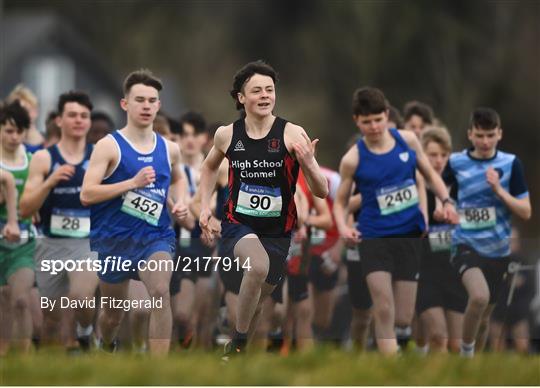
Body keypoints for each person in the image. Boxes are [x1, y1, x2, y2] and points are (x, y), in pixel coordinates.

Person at [198, 60, 328, 357]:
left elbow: (321, 191)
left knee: (257, 301)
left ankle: (237, 358)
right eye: (257, 90)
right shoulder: (226, 135)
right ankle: (239, 343)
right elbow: (208, 169)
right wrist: (205, 206)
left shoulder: (293, 133)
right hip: (237, 223)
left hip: (278, 230)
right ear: (241, 98)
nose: (265, 95)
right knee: (256, 267)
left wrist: (308, 161)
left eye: (270, 89)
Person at [333, 87, 457, 355]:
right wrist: (344, 227)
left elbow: (430, 176)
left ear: (387, 116)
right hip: (374, 237)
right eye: (367, 122)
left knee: (403, 317)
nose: (374, 127)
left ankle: (395, 348)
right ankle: (389, 370)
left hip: (409, 236)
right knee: (384, 308)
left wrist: (446, 201)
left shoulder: (408, 141)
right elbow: (340, 203)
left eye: (378, 120)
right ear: (357, 121)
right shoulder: (352, 159)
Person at [80, 69, 188, 355]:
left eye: (152, 100)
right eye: (139, 99)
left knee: (160, 293)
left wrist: (180, 201)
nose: (146, 105)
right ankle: (105, 344)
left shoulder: (169, 149)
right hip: (115, 239)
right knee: (113, 315)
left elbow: (178, 177)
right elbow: (87, 193)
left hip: (156, 237)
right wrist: (131, 183)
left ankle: (157, 373)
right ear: (125, 104)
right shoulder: (108, 146)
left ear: (159, 106)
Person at [445, 107, 531, 357]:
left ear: (499, 134)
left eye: (490, 135)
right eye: (480, 135)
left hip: (499, 251)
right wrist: (445, 207)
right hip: (465, 245)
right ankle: (466, 354)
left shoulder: (511, 164)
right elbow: (442, 195)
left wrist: (500, 192)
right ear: (470, 134)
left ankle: (473, 369)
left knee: (484, 318)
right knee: (479, 297)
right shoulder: (456, 163)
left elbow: (525, 211)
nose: (485, 141)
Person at [19, 91, 98, 351]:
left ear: (89, 122)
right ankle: (59, 352)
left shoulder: (98, 155)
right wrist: (50, 182)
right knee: (50, 316)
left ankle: (85, 332)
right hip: (49, 244)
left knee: (81, 298)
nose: (78, 120)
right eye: (72, 115)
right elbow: (25, 208)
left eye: (84, 116)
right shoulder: (44, 158)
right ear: (59, 121)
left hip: (87, 243)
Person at [415, 126, 467, 353]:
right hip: (424, 272)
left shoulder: (459, 188)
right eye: (432, 155)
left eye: (443, 155)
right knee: (438, 336)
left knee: (456, 345)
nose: (438, 161)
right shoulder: (414, 187)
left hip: (454, 272)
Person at [0, 100, 35, 354]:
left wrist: (33, 209)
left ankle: (24, 357)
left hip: (24, 241)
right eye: (8, 130)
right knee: (3, 300)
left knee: (21, 300)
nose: (14, 136)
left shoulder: (32, 160)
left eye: (19, 131)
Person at [7, 85, 44, 153]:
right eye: (18, 111)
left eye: (27, 110)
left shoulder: (48, 142)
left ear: (36, 111)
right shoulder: (7, 143)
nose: (22, 115)